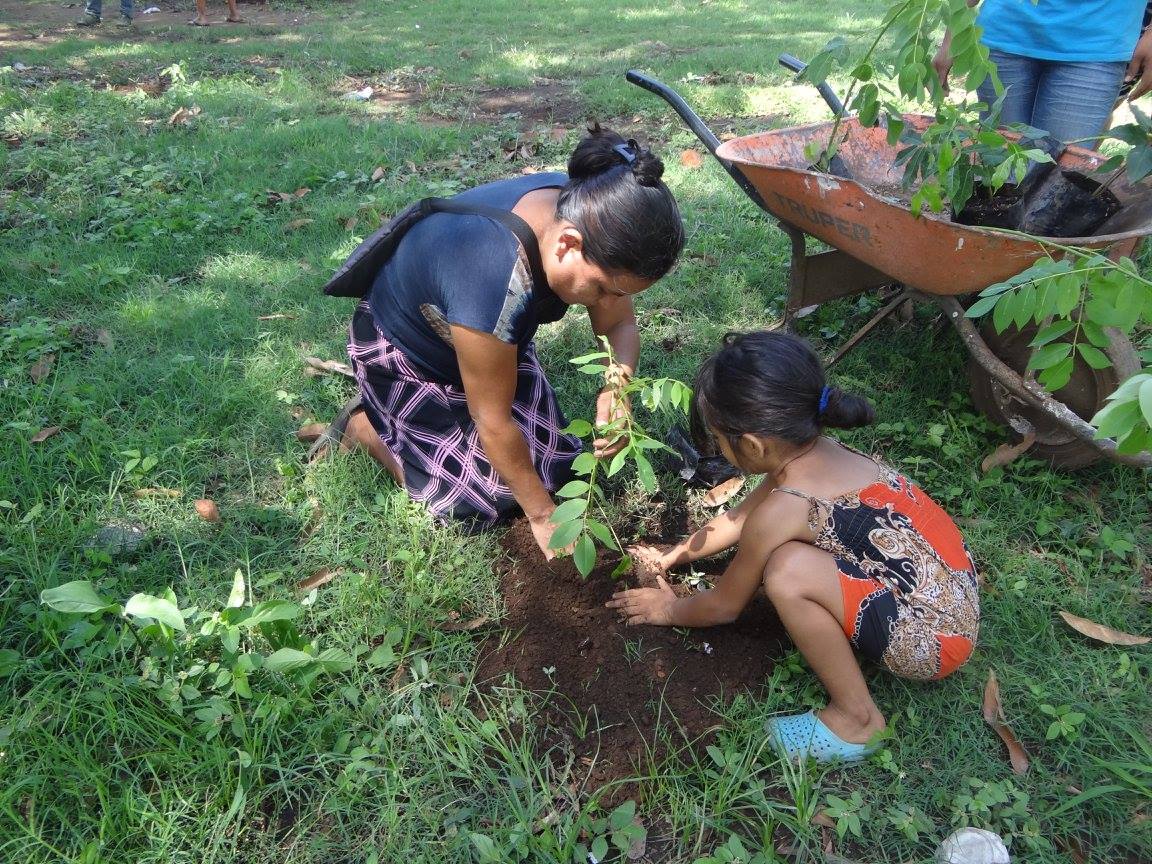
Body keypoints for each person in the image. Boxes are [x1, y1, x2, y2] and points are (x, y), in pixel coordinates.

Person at [607, 332, 980, 763]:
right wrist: (674, 555)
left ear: (751, 446)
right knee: (794, 560)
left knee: (787, 571)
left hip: (933, 641)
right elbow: (736, 520)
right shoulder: (819, 454)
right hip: (953, 596)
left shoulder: (789, 507)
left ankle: (857, 721)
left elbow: (725, 606)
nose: (719, 448)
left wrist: (666, 610)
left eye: (718, 438)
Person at [314, 125, 684, 559]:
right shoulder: (494, 276)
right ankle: (366, 426)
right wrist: (544, 517)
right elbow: (491, 420)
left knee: (559, 466)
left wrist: (617, 389)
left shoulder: (592, 206)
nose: (608, 303)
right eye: (604, 290)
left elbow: (619, 327)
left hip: (488, 343)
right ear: (568, 243)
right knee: (482, 502)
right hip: (408, 354)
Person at [933, 0, 1152, 143]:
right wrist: (952, 38)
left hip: (1097, 44)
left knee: (1055, 179)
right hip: (1005, 32)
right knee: (997, 169)